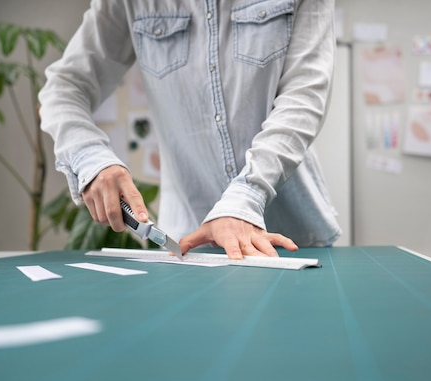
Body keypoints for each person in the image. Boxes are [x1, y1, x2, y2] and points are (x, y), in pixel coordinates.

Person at [39, 0, 341, 260]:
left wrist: (246, 197)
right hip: (186, 248)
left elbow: (304, 97)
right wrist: (89, 158)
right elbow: (64, 88)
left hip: (293, 241)